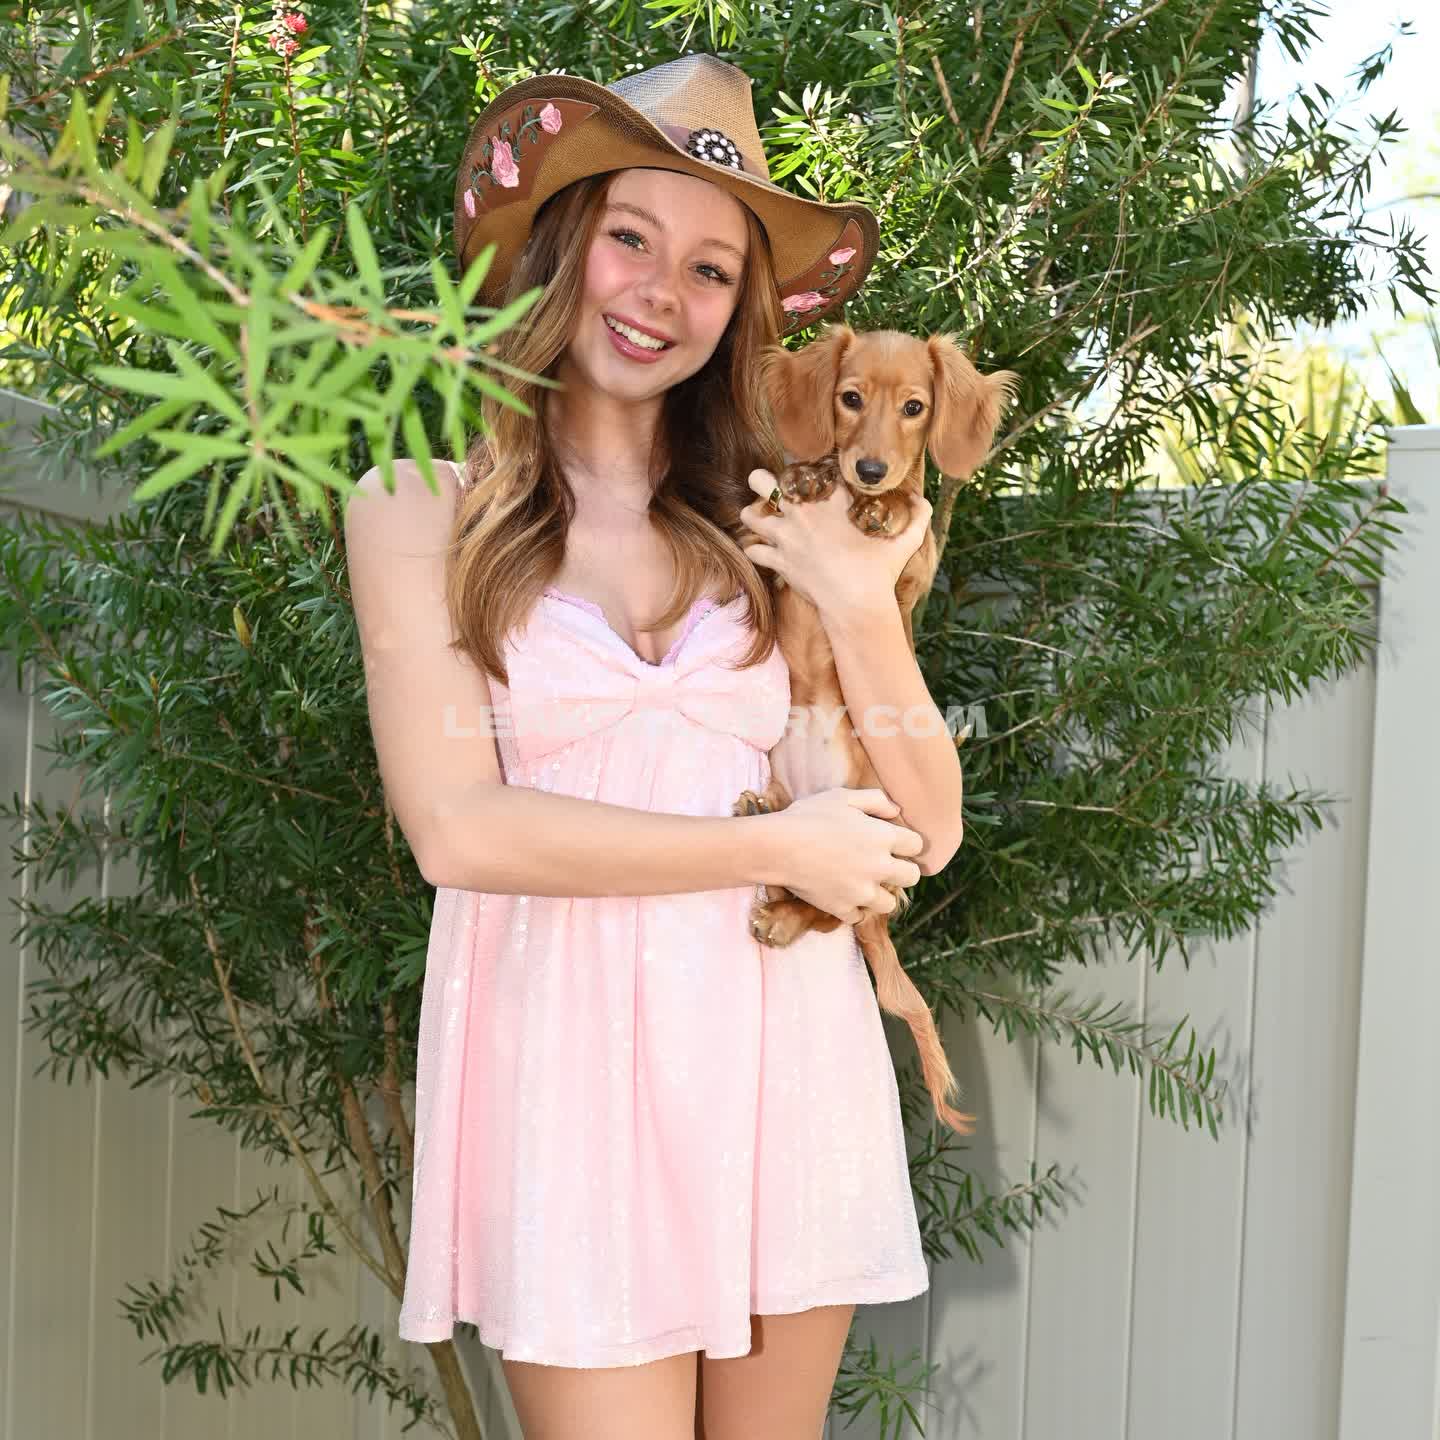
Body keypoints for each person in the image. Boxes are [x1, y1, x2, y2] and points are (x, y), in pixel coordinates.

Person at [344, 53, 965, 1440]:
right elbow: (457, 829)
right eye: (631, 238)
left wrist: (862, 605)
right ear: (562, 245)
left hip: (781, 1057)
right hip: (565, 1070)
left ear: (741, 308)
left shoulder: (775, 511)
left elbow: (927, 829)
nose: (660, 294)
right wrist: (772, 847)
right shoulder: (420, 503)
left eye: (710, 269)